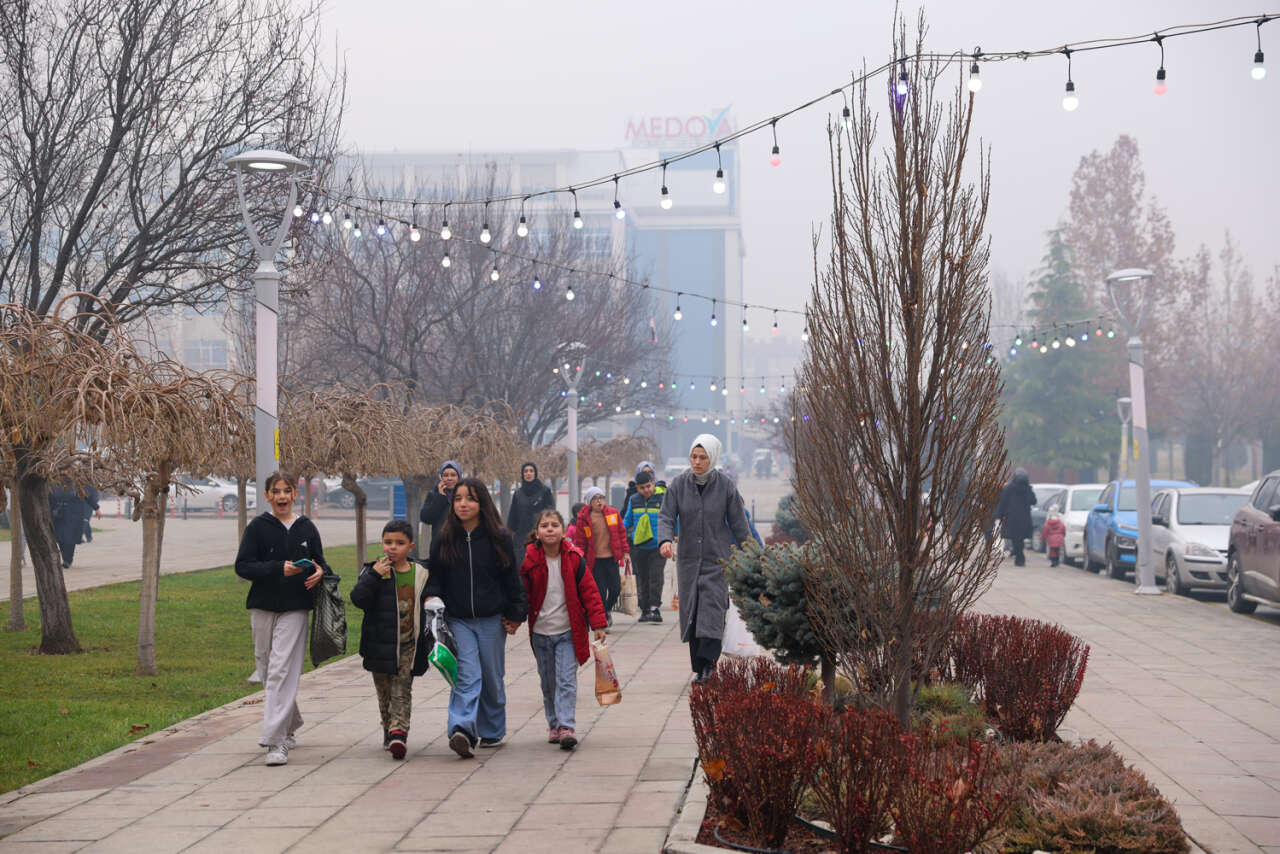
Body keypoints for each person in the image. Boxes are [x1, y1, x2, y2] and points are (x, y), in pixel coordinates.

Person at [424, 477, 527, 759]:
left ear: (482, 503)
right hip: (458, 620)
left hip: (492, 619)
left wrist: (516, 612)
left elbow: (511, 578)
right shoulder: (444, 539)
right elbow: (435, 577)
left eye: (470, 498)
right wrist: (431, 596)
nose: (463, 504)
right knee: (468, 675)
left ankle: (492, 730)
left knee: (492, 677)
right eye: (458, 498)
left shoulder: (500, 538)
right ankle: (462, 730)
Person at [234, 471, 330, 766]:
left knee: (281, 671)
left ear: (295, 494)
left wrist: (319, 572)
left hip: (295, 608)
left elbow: (321, 563)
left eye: (287, 491)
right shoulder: (258, 528)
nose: (282, 497)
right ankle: (290, 722)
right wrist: (278, 568)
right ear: (267, 496)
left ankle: (275, 741)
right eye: (276, 491)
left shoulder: (306, 528)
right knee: (265, 667)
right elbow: (243, 566)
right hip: (262, 607)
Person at [657, 434, 752, 683]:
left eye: (703, 457)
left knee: (711, 612)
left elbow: (739, 524)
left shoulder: (726, 486)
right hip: (688, 561)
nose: (697, 462)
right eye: (694, 456)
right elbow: (666, 516)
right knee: (693, 614)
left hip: (716, 561)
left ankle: (709, 667)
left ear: (713, 458)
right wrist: (665, 540)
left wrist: (751, 554)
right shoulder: (678, 485)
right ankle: (699, 668)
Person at [519, 508, 607, 750]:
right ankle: (554, 724)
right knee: (548, 683)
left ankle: (567, 726)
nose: (549, 529)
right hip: (540, 633)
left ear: (563, 530)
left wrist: (598, 623)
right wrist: (513, 619)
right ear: (536, 532)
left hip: (568, 632)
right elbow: (522, 595)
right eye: (544, 525)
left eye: (554, 525)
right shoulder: (529, 561)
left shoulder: (574, 558)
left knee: (566, 680)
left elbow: (590, 592)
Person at [350, 520, 434, 760]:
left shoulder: (421, 572)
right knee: (385, 693)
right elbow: (358, 599)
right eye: (388, 542)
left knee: (401, 689)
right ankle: (389, 730)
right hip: (380, 645)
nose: (392, 548)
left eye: (399, 543)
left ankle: (399, 733)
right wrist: (374, 576)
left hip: (409, 644)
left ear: (411, 546)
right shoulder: (372, 571)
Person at [570, 487, 628, 625]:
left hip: (611, 558)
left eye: (601, 497)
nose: (599, 501)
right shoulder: (584, 519)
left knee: (615, 589)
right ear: (590, 501)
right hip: (594, 561)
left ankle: (606, 610)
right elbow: (580, 541)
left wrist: (625, 552)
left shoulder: (613, 514)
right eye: (595, 498)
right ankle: (602, 618)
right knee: (600, 592)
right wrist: (579, 558)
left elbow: (621, 533)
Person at [623, 470, 666, 623]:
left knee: (656, 576)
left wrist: (675, 533)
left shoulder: (662, 499)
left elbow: (673, 517)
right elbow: (627, 520)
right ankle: (645, 609)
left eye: (648, 486)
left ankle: (655, 608)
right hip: (639, 546)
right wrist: (619, 536)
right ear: (637, 488)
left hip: (658, 545)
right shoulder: (634, 500)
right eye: (642, 488)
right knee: (642, 579)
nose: (646, 490)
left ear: (653, 483)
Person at [995, 468, 1036, 567]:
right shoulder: (1027, 489)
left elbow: (1002, 503)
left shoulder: (1008, 488)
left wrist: (999, 515)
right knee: (1019, 539)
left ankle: (1019, 557)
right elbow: (1033, 501)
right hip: (1023, 519)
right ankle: (1019, 557)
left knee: (1015, 538)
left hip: (1011, 518)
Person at [49, 483, 95, 569]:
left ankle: (68, 560)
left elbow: (87, 497)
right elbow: (49, 499)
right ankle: (65, 557)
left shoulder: (78, 484)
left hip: (74, 516)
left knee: (70, 539)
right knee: (61, 539)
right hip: (59, 516)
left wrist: (96, 508)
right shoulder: (54, 484)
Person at [505, 461, 554, 542]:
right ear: (522, 474)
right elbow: (513, 516)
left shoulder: (545, 491)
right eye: (526, 471)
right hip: (521, 537)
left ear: (535, 473)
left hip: (540, 536)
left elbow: (551, 513)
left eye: (531, 471)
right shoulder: (518, 494)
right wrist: (509, 534)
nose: (528, 473)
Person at [419, 461, 461, 533]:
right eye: (445, 475)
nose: (449, 478)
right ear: (441, 478)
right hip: (440, 542)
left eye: (453, 475)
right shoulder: (433, 495)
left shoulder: (465, 496)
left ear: (459, 477)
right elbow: (426, 518)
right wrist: (441, 497)